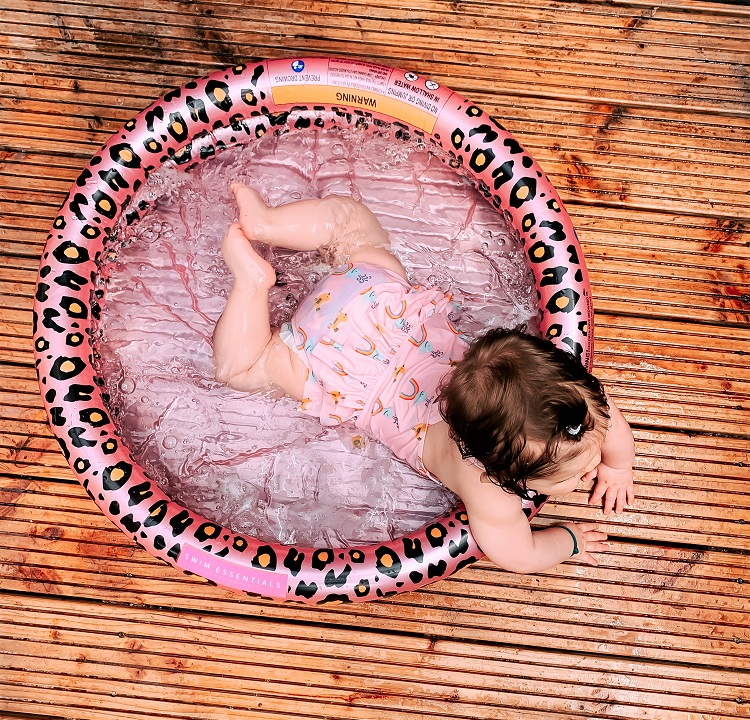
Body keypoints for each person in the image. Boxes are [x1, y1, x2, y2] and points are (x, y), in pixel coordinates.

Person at [213, 184, 636, 574]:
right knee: (243, 368)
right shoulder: (491, 493)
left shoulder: (574, 404)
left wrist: (617, 465)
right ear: (500, 473)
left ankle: (268, 224)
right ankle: (252, 285)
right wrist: (570, 541)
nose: (591, 465)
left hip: (377, 303)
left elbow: (607, 422)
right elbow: (519, 555)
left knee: (350, 224)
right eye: (569, 476)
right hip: (340, 373)